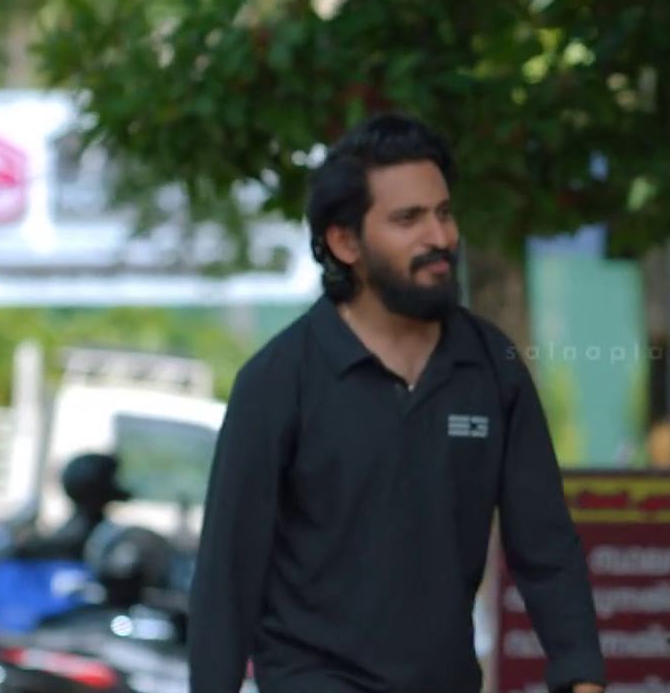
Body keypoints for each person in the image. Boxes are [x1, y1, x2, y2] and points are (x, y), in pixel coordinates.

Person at [188, 114, 606, 693]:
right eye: (408, 219)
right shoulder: (279, 379)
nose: (440, 237)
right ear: (345, 242)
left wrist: (581, 675)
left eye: (444, 212)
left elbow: (545, 543)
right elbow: (228, 574)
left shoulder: (491, 366)